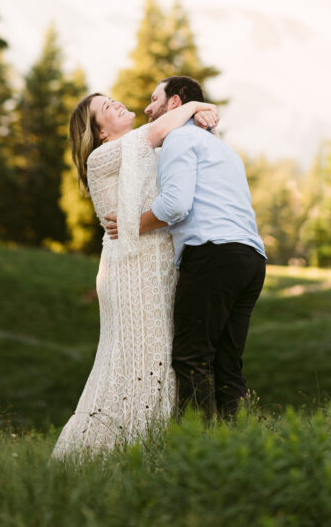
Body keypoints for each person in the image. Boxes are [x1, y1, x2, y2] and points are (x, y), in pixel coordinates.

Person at [51, 91, 218, 458]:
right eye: (104, 108)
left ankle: (151, 449)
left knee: (158, 357)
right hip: (129, 270)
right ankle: (114, 451)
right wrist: (194, 106)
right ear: (99, 132)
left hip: (158, 265)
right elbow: (156, 131)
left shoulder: (146, 151)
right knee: (145, 358)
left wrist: (202, 119)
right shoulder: (102, 157)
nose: (114, 103)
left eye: (111, 99)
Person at [106, 76, 266, 419]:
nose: (148, 108)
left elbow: (176, 205)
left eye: (154, 99)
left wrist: (132, 223)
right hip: (251, 259)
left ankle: (197, 449)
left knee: (192, 358)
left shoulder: (179, 138)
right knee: (228, 362)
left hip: (213, 256)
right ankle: (236, 447)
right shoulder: (225, 149)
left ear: (175, 103)